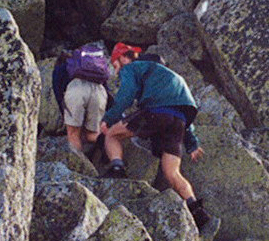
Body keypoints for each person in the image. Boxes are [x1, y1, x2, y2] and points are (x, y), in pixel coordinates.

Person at [100, 46, 210, 228]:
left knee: (112, 134)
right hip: (179, 121)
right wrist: (192, 144)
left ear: (123, 58)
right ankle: (196, 210)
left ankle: (117, 169)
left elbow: (127, 94)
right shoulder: (170, 75)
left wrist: (108, 119)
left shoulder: (131, 68)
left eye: (115, 64)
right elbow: (183, 110)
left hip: (156, 112)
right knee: (172, 172)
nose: (116, 70)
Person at [55, 44, 116, 157]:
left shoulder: (62, 65)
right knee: (92, 134)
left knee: (73, 134)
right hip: (99, 91)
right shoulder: (96, 67)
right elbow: (106, 87)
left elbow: (58, 89)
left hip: (76, 90)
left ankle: (78, 164)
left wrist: (64, 111)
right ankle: (110, 144)